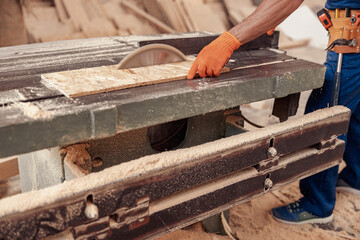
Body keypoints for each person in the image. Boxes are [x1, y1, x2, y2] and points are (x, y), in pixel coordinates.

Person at [188, 0, 360, 224]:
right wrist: (266, 18)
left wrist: (228, 41)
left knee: (325, 117)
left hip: (350, 40)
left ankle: (317, 206)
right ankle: (354, 178)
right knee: (354, 111)